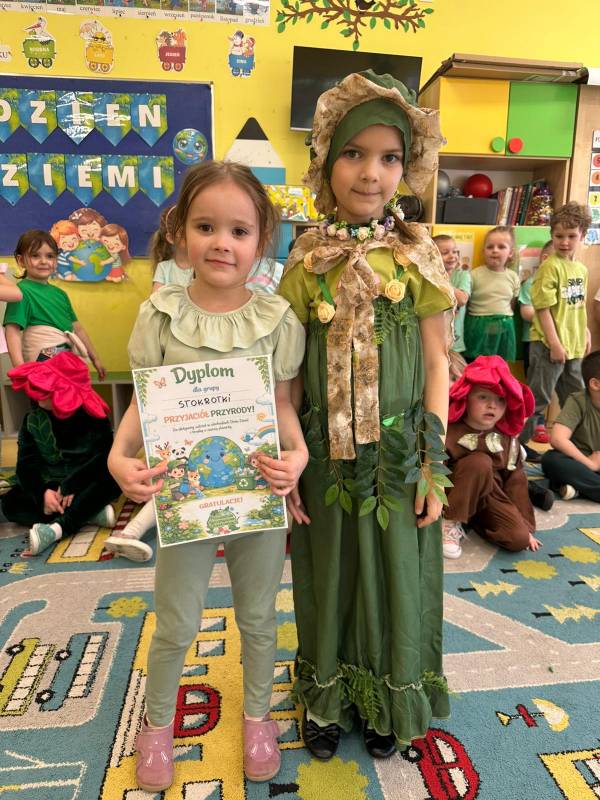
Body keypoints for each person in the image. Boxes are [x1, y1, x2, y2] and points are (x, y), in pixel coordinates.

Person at [107, 160, 307, 792]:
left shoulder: (276, 319)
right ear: (180, 233)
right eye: (206, 226)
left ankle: (258, 719)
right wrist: (118, 456)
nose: (222, 242)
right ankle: (157, 727)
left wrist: (298, 455)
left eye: (239, 231)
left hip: (256, 494)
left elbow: (282, 405)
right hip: (185, 499)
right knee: (176, 621)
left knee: (259, 617)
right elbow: (142, 403)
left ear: (261, 241)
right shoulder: (160, 313)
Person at [278, 71, 453, 762]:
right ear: (326, 160)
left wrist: (434, 461)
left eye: (388, 157)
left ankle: (388, 693)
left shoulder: (418, 255)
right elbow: (289, 374)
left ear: (406, 168)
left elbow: (437, 363)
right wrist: (289, 454)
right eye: (353, 153)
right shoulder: (305, 260)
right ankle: (326, 696)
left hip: (402, 453)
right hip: (323, 452)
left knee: (395, 573)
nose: (370, 172)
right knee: (329, 571)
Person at [1, 352, 120, 555]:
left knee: (113, 480)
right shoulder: (33, 419)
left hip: (84, 481)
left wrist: (72, 485)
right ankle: (89, 513)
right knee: (10, 504)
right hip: (51, 484)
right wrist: (42, 495)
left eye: (44, 389)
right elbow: (26, 466)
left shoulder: (92, 415)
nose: (37, 393)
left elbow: (104, 457)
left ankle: (58, 528)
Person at [442, 355, 543, 559]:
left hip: (490, 495)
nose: (492, 405)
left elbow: (515, 481)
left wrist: (524, 524)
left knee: (518, 539)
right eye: (483, 397)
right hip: (453, 494)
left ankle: (471, 518)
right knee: (479, 462)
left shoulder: (507, 439)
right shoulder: (447, 430)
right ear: (466, 397)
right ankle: (449, 522)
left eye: (500, 400)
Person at [521, 202, 592, 446]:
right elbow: (542, 309)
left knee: (576, 398)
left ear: (583, 235)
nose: (564, 242)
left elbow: (577, 305)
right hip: (548, 346)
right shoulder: (550, 267)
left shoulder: (581, 269)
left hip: (573, 346)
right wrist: (554, 344)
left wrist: (584, 331)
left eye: (571, 236)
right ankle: (515, 448)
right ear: (552, 235)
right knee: (537, 399)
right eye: (559, 236)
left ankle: (578, 446)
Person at [4, 230, 106, 378]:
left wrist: (95, 357)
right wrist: (20, 368)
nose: (43, 261)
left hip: (67, 356)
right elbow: (12, 330)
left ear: (56, 260)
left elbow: (77, 328)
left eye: (50, 256)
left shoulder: (60, 294)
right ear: (21, 261)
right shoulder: (21, 292)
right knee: (49, 393)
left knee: (74, 392)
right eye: (35, 256)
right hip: (43, 357)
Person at [541, 350, 600, 502]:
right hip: (579, 462)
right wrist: (590, 464)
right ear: (595, 384)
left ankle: (575, 487)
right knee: (551, 460)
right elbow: (557, 439)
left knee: (561, 475)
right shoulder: (578, 400)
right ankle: (585, 486)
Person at [464, 226, 520, 362]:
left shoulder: (513, 277)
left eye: (501, 247)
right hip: (478, 326)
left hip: (504, 328)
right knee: (476, 364)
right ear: (483, 251)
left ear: (510, 253)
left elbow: (512, 303)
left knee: (499, 365)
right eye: (490, 247)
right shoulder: (474, 275)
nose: (495, 250)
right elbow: (467, 302)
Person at [519, 240, 553, 458]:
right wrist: (552, 318)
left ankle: (538, 426)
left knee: (547, 392)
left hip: (565, 345)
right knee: (535, 392)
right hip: (537, 342)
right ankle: (520, 441)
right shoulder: (532, 283)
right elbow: (527, 312)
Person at [433, 234, 471, 359]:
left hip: (455, 341)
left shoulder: (462, 275)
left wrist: (438, 280)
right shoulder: (426, 278)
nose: (452, 256)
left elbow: (462, 299)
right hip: (433, 339)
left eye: (455, 252)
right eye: (445, 253)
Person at [149, 205, 193, 292]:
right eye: (183, 232)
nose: (191, 236)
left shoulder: (201, 266)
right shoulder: (164, 268)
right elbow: (155, 298)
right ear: (171, 238)